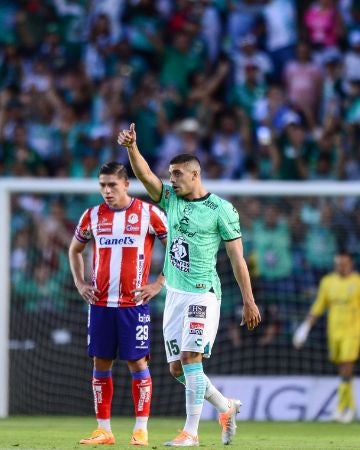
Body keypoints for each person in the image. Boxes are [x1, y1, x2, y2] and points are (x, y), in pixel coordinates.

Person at [117, 124, 262, 447]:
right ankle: (226, 407)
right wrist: (132, 148)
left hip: (203, 293)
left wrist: (249, 301)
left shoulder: (221, 210)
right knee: (176, 369)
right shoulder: (171, 200)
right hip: (175, 295)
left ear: (195, 175)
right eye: (170, 173)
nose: (171, 179)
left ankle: (190, 434)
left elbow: (238, 260)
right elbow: (146, 178)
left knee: (190, 358)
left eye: (177, 174)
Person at [68, 162, 168, 447]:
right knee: (101, 362)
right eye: (102, 185)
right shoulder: (92, 215)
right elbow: (75, 249)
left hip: (133, 305)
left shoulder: (149, 212)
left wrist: (158, 284)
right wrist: (80, 283)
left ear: (126, 184)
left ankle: (140, 429)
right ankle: (104, 430)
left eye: (112, 184)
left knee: (137, 362)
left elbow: (175, 247)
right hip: (100, 304)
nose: (107, 191)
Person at [293, 250, 360, 423]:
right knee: (343, 368)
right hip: (334, 332)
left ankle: (340, 408)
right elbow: (319, 305)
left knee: (347, 365)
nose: (341, 267)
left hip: (353, 331)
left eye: (344, 264)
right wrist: (304, 328)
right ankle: (351, 408)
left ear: (351, 264)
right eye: (338, 264)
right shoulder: (327, 282)